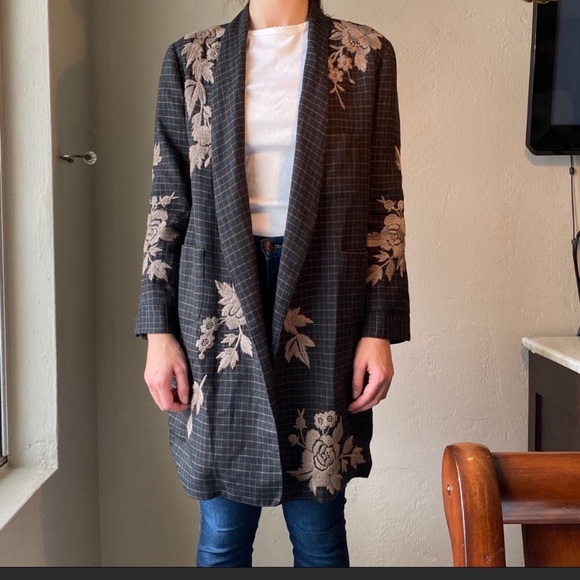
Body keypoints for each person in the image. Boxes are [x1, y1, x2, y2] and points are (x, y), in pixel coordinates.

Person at [135, 0, 410, 568]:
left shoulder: (366, 55)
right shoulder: (191, 58)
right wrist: (158, 332)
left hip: (326, 292)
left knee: (319, 531)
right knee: (222, 532)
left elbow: (385, 199)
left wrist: (379, 329)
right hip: (215, 298)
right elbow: (167, 202)